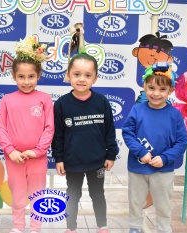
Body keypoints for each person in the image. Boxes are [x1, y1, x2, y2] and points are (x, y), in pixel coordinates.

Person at [51, 53, 119, 233]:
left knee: (98, 194)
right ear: (68, 75)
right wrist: (59, 158)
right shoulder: (61, 104)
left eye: (88, 75)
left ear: (95, 78)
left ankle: (102, 226)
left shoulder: (102, 102)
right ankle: (70, 228)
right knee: (72, 196)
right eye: (77, 74)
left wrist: (110, 154)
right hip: (72, 163)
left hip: (97, 161)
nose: (82, 79)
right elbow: (57, 135)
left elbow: (109, 130)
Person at [0, 35, 54, 233]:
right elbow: (0, 127)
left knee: (38, 194)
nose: (26, 81)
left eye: (31, 77)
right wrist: (10, 150)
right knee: (18, 195)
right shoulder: (7, 100)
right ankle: (19, 227)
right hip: (14, 159)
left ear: (39, 76)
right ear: (13, 76)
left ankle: (35, 228)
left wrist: (38, 151)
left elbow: (49, 128)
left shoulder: (44, 99)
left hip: (37, 158)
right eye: (21, 77)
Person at [122, 63, 187, 233]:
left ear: (170, 90)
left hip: (163, 170)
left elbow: (182, 142)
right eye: (151, 88)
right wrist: (141, 152)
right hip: (138, 167)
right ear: (144, 86)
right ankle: (135, 227)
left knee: (163, 203)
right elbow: (127, 133)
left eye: (162, 89)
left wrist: (165, 158)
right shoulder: (137, 110)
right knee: (136, 201)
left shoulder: (175, 115)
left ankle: (163, 229)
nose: (156, 93)